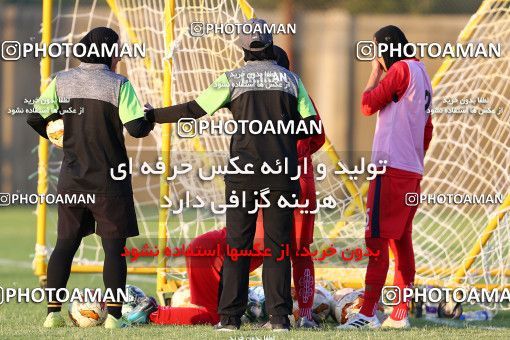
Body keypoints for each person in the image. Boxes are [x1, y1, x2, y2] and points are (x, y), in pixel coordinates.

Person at [144, 19, 318, 331]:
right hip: (281, 174)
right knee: (278, 248)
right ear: (268, 45)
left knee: (238, 245)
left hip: (243, 174)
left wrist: (153, 115)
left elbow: (194, 109)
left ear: (242, 48)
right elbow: (312, 127)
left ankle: (229, 319)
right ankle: (280, 319)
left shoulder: (233, 79)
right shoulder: (292, 81)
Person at [27, 27, 154, 329]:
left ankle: (52, 314)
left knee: (64, 245)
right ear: (108, 52)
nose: (120, 55)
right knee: (113, 249)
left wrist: (55, 134)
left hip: (72, 180)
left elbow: (35, 117)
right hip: (110, 181)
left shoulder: (62, 80)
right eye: (117, 50)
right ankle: (113, 317)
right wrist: (147, 116)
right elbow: (136, 128)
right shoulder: (119, 84)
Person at [339, 25, 433, 329]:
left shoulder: (401, 70)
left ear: (387, 48)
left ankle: (367, 313)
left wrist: (374, 73)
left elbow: (367, 105)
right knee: (401, 241)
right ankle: (400, 312)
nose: (375, 55)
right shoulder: (422, 72)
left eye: (377, 49)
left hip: (390, 169)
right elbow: (428, 130)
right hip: (411, 170)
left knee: (376, 239)